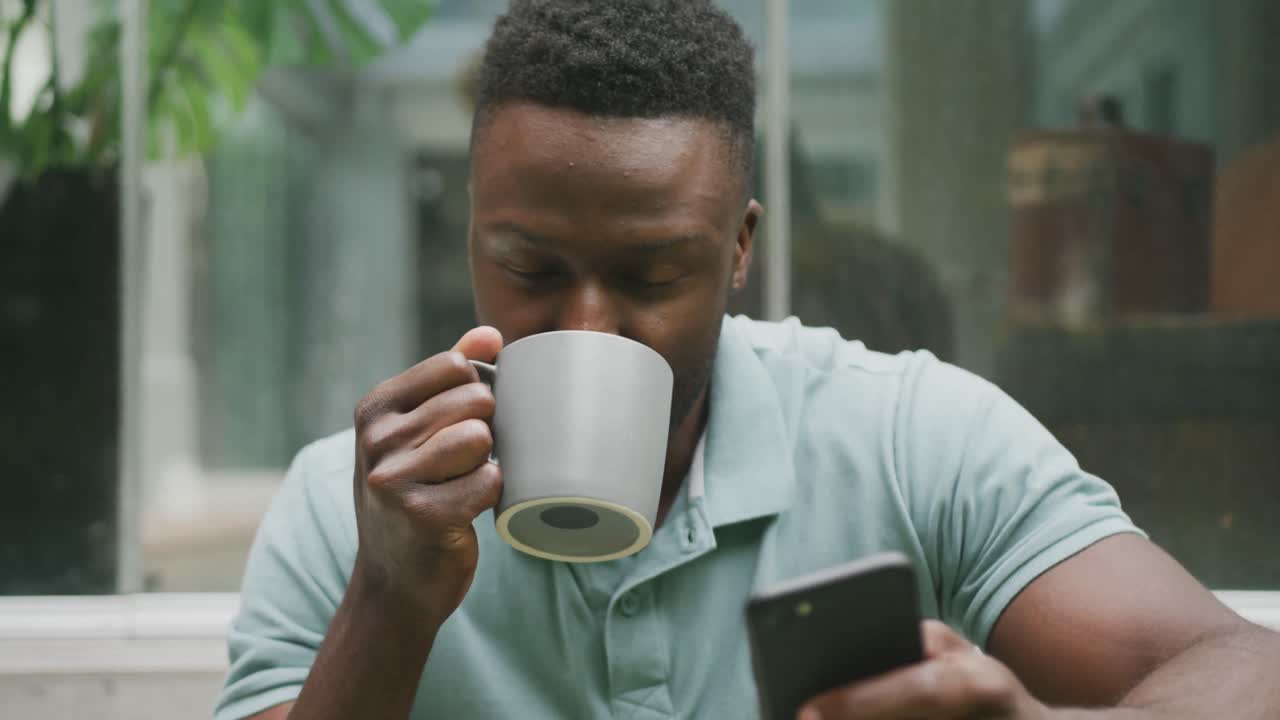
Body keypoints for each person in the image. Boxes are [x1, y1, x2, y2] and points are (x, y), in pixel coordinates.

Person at [215, 2, 1280, 719]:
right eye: (529, 265)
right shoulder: (348, 506)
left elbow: (1242, 668)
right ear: (471, 240)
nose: (586, 328)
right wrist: (389, 603)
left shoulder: (905, 434)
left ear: (737, 251)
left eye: (649, 274)